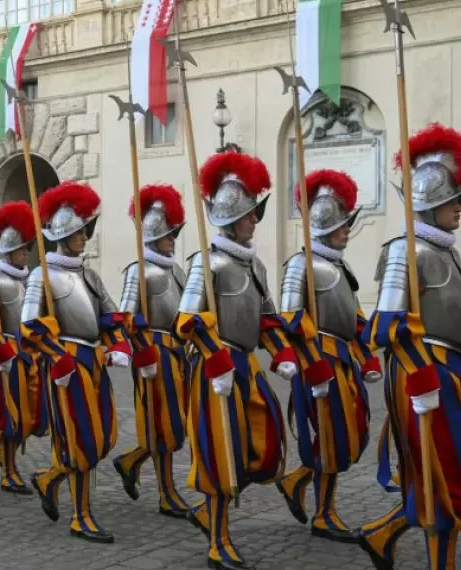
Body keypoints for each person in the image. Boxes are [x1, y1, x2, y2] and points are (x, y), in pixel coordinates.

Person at [176, 152, 310, 570]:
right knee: (222, 455)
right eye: (251, 214)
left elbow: (268, 318)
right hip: (215, 370)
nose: (256, 220)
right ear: (232, 217)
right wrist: (215, 359)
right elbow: (188, 320)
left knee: (259, 448)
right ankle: (218, 540)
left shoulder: (255, 264)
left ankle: (210, 517)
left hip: (246, 369)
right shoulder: (206, 261)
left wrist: (281, 352)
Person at [356, 123, 461, 570]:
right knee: (442, 480)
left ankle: (382, 535)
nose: (459, 209)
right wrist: (423, 375)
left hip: (448, 373)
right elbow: (382, 328)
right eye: (452, 201)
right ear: (432, 204)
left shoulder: (449, 252)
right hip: (422, 376)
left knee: (449, 473)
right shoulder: (406, 251)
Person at [21, 181, 132, 543]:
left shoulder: (89, 274)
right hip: (66, 366)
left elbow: (110, 316)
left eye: (85, 230)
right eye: (77, 232)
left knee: (103, 438)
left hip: (94, 362)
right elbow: (30, 327)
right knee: (81, 441)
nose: (84, 236)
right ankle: (80, 516)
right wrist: (57, 358)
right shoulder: (42, 275)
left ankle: (49, 477)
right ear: (60, 236)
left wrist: (118, 345)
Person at [275, 169, 383, 544]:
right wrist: (311, 362)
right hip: (316, 364)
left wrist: (367, 352)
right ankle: (324, 514)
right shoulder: (298, 265)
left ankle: (296, 480)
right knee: (331, 437)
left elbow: (352, 314)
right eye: (341, 224)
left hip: (342, 362)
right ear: (323, 224)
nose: (347, 230)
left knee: (347, 435)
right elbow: (289, 318)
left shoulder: (339, 265)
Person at [112, 184, 190, 518]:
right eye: (168, 233)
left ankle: (130, 462)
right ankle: (166, 493)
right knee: (162, 426)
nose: (173, 238)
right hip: (153, 355)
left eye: (175, 232)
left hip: (178, 355)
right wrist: (142, 353)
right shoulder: (138, 270)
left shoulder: (178, 270)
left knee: (176, 424)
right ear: (154, 235)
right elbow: (127, 318)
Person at [0, 201, 47, 495]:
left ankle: (7, 456)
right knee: (9, 414)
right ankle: (8, 470)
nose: (26, 252)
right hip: (4, 356)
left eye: (27, 247)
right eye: (21, 248)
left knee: (29, 413)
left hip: (29, 355)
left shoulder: (32, 279)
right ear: (8, 250)